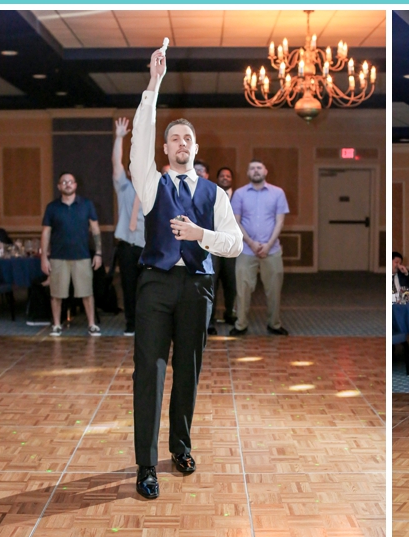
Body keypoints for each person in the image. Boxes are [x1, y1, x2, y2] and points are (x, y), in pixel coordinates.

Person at [129, 45, 242, 499]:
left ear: (196, 149)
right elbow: (139, 137)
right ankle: (145, 466)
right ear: (165, 147)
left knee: (188, 373)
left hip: (198, 288)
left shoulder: (214, 195)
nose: (180, 143)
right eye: (173, 138)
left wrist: (201, 235)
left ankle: (180, 447)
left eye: (187, 139)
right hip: (155, 285)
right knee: (149, 373)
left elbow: (233, 244)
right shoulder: (150, 181)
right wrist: (153, 87)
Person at [230, 160, 290, 336]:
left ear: (265, 171)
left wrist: (268, 244)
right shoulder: (239, 194)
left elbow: (280, 221)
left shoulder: (278, 193)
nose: (255, 171)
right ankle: (241, 324)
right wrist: (251, 243)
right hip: (246, 250)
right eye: (252, 168)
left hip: (272, 251)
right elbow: (236, 221)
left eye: (259, 168)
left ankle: (274, 324)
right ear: (248, 173)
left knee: (274, 290)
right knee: (243, 289)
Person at [41, 172, 102, 337]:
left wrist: (98, 253)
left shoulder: (87, 205)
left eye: (70, 182)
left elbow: (95, 229)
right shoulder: (52, 207)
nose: (67, 184)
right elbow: (46, 233)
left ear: (75, 185)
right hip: (58, 257)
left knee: (87, 293)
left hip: (82, 256)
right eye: (64, 182)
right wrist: (44, 257)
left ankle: (91, 324)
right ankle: (56, 325)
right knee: (56, 294)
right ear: (59, 186)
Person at [112, 117, 145, 337]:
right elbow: (116, 164)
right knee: (129, 285)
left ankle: (148, 323)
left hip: (148, 246)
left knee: (149, 288)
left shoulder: (155, 191)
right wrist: (119, 138)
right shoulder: (124, 187)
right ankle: (131, 323)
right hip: (126, 245)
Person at [210, 166, 238, 330]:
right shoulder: (211, 194)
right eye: (222, 175)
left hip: (231, 248)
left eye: (228, 176)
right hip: (213, 247)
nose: (225, 178)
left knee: (231, 283)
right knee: (212, 284)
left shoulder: (239, 196)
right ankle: (210, 320)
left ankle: (230, 314)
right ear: (217, 178)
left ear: (232, 179)